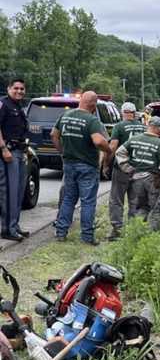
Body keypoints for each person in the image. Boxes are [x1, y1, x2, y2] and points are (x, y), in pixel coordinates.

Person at [51, 91, 112, 245]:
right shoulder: (92, 121)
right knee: (88, 202)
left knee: (68, 199)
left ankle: (61, 232)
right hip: (87, 166)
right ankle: (87, 237)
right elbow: (98, 142)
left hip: (69, 164)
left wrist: (62, 152)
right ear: (93, 105)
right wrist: (108, 149)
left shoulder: (65, 116)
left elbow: (54, 135)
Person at [115, 116, 160, 231]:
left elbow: (119, 153)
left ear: (148, 126)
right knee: (156, 208)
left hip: (135, 179)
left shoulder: (134, 139)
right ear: (157, 128)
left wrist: (128, 168)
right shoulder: (159, 143)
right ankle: (153, 235)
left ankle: (136, 232)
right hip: (153, 181)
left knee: (139, 208)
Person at [106, 102, 146, 241]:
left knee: (116, 199)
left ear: (123, 113)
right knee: (135, 200)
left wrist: (107, 164)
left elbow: (112, 146)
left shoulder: (119, 126)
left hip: (122, 169)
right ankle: (134, 229)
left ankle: (117, 230)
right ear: (134, 113)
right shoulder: (143, 128)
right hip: (138, 169)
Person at [0, 79, 29, 241]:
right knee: (10, 192)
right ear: (9, 88)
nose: (19, 91)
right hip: (8, 153)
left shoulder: (18, 106)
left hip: (19, 151)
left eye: (22, 89)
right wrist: (3, 149)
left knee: (18, 192)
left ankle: (15, 225)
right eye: (16, 88)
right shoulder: (3, 104)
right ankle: (7, 230)